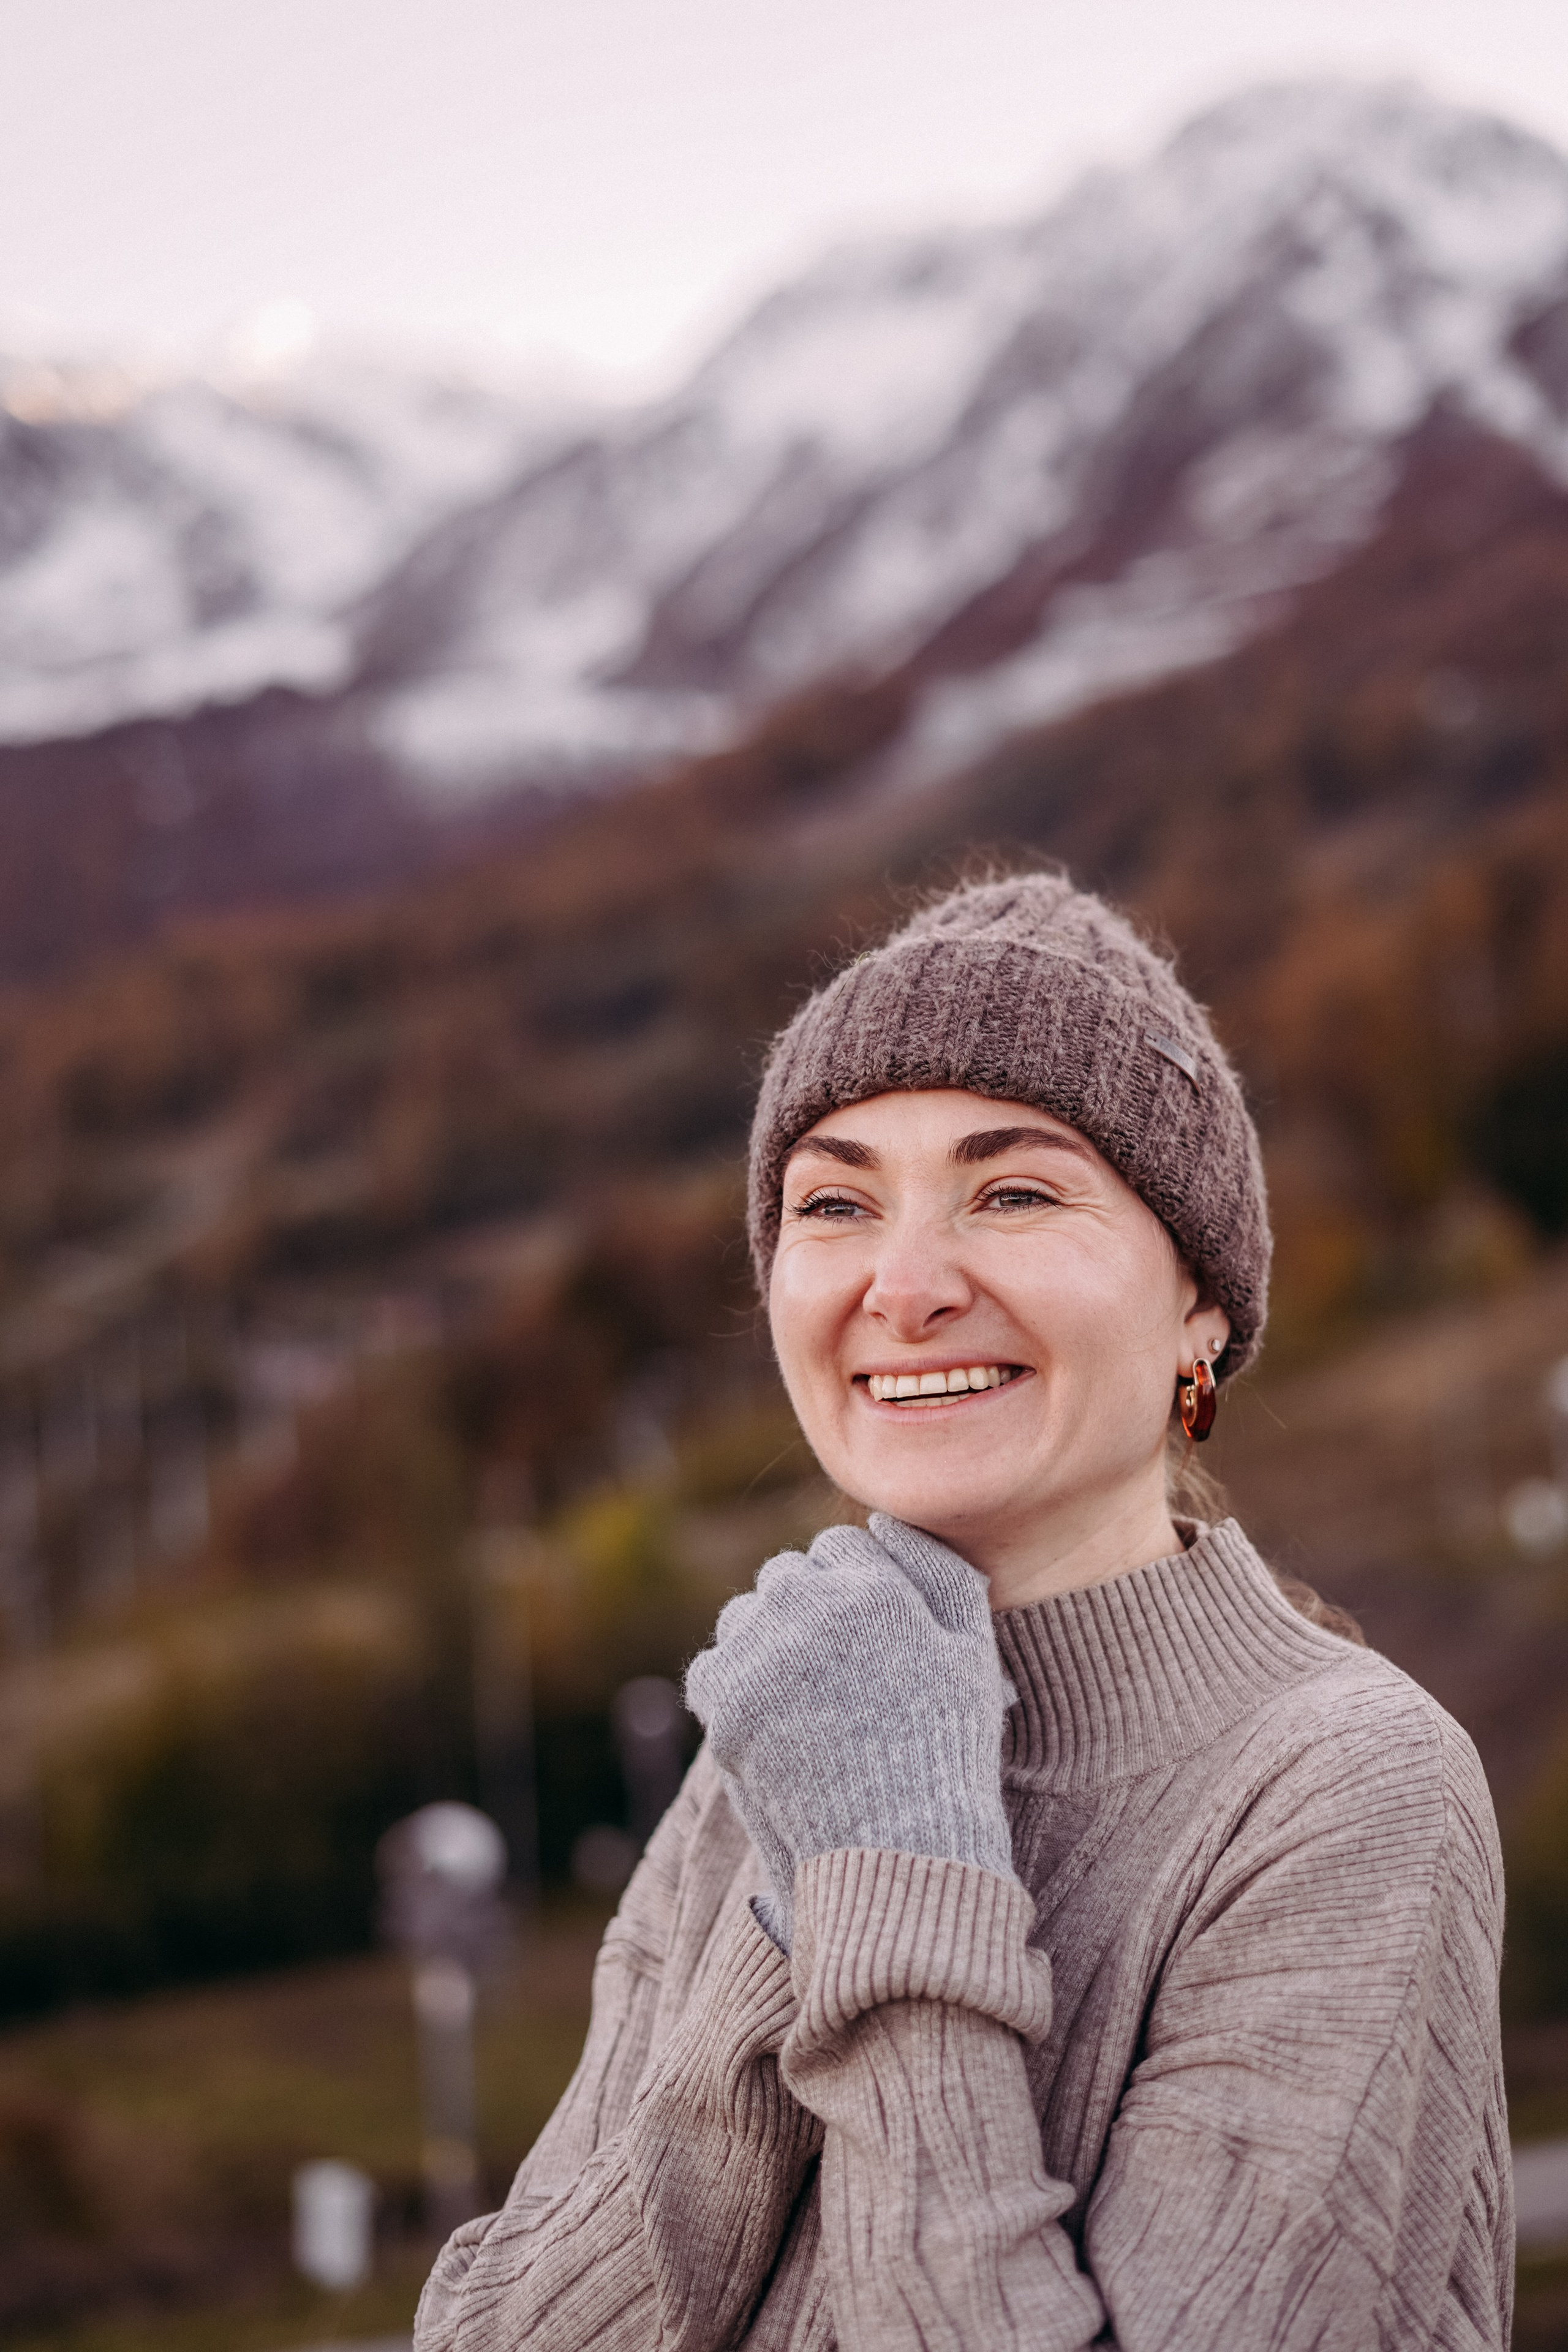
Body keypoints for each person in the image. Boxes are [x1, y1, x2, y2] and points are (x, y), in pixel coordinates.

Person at [415, 872, 1511, 2350]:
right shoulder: (784, 1737)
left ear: (1199, 1305)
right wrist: (804, 1889)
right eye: (835, 1202)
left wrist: (889, 1888)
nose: (905, 1284)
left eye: (1012, 1191)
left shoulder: (1342, 1787)